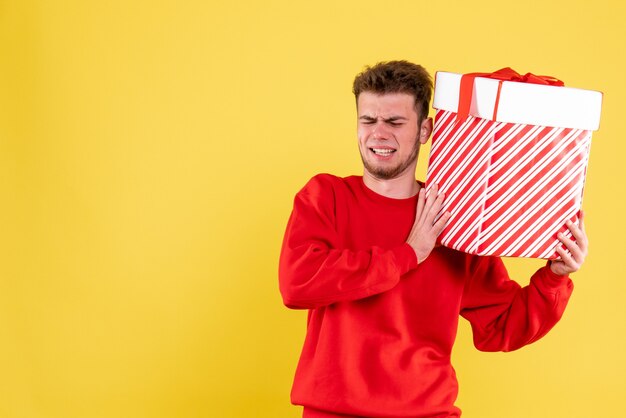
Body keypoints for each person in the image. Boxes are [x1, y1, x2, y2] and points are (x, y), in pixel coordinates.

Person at [278, 60, 587, 418]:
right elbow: (297, 283)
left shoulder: (455, 217)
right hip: (333, 412)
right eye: (368, 120)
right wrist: (409, 253)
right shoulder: (326, 196)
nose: (379, 133)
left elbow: (501, 327)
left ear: (425, 130)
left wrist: (555, 277)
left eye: (395, 122)